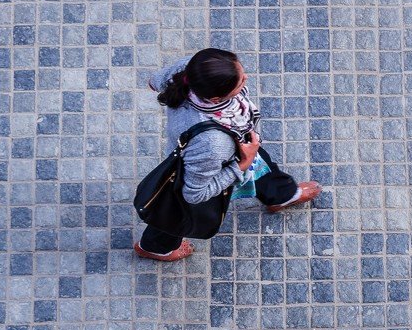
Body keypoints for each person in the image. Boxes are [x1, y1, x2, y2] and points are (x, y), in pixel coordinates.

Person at [136, 48, 321, 261]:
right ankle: (154, 247)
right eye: (240, 82)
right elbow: (193, 194)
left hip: (234, 144)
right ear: (216, 99)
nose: (246, 78)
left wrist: (248, 157)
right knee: (177, 211)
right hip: (210, 161)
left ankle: (280, 195)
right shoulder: (215, 144)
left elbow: (154, 82)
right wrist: (242, 164)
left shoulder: (190, 70)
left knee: (259, 162)